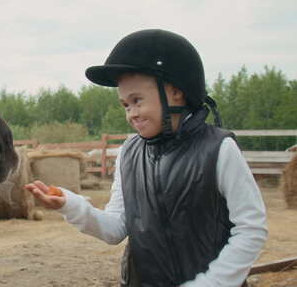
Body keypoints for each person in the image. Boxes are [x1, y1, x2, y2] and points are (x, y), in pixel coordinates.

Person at [25, 29, 268, 287]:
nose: (131, 113)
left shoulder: (219, 149)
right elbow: (116, 228)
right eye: (125, 105)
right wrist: (69, 205)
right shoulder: (128, 154)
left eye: (137, 100)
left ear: (176, 92)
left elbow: (251, 230)